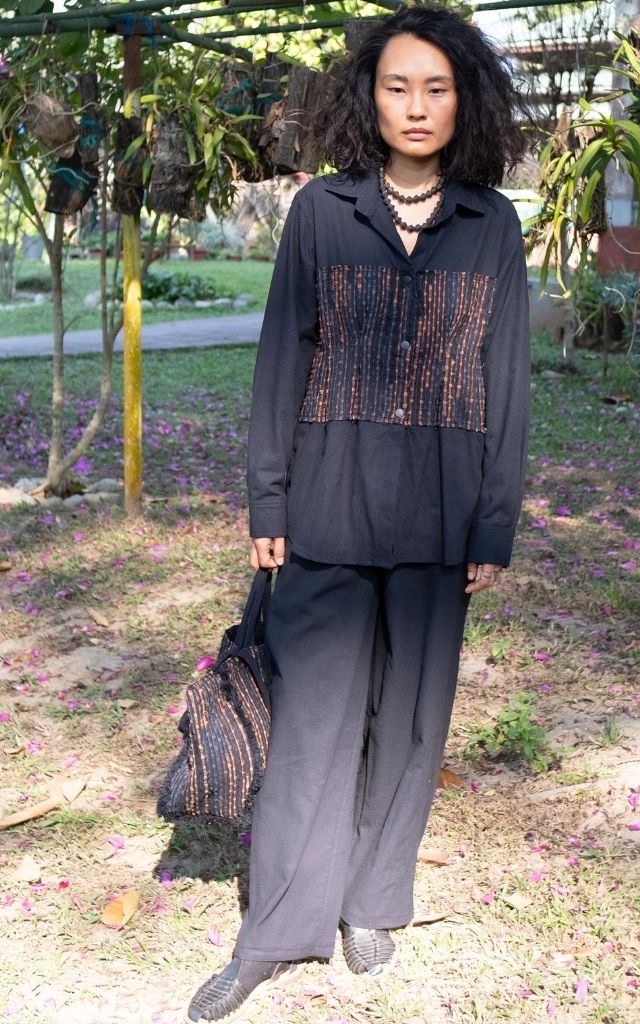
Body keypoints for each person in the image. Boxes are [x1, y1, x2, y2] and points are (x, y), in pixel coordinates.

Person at [186, 6, 530, 1022]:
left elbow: (506, 382)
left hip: (442, 510)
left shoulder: (492, 225)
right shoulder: (322, 212)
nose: (416, 106)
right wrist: (269, 497)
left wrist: (494, 524)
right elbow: (280, 361)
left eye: (436, 88)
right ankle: (276, 932)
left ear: (464, 100)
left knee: (413, 722)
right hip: (328, 503)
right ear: (368, 99)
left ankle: (374, 902)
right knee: (312, 723)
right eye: (396, 87)